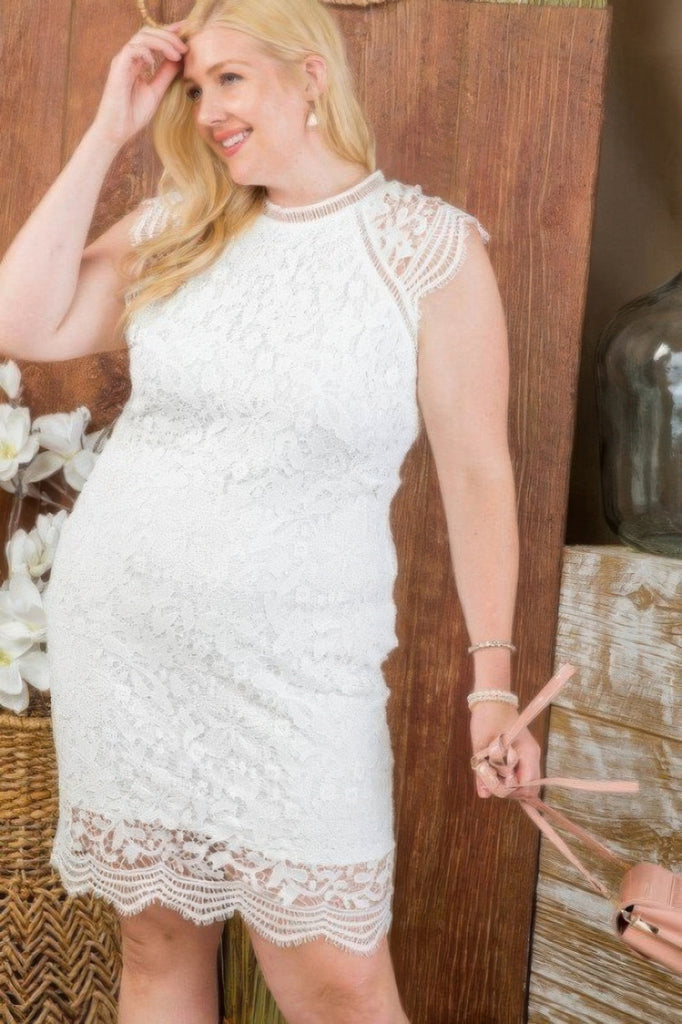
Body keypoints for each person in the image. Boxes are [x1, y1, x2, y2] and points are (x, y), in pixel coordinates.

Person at [0, 1, 541, 1021]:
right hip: (128, 647)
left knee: (339, 985)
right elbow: (18, 319)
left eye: (230, 79)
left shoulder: (425, 247)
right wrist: (108, 130)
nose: (207, 110)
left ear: (310, 76)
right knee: (156, 949)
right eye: (194, 88)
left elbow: (478, 473)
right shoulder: (179, 227)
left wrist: (493, 684)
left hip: (298, 670)